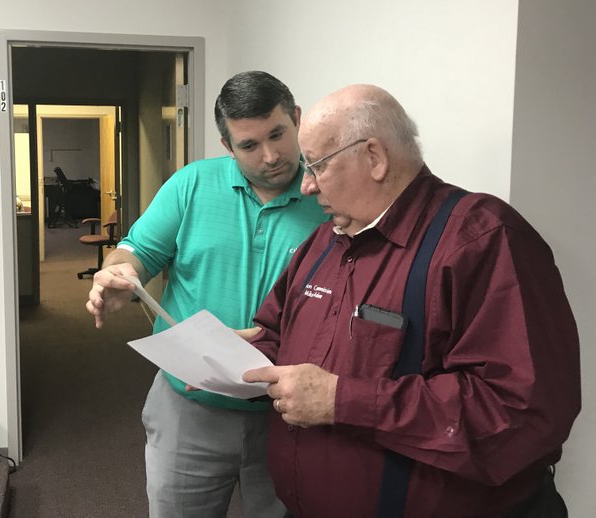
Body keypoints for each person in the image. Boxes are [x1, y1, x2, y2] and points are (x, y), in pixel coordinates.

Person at [242, 84, 581, 517]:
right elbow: (277, 331)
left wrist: (341, 400)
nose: (306, 185)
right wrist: (229, 355)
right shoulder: (326, 241)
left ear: (374, 158)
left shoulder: (482, 240)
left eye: (317, 166)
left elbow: (520, 413)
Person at [86, 71, 328, 517]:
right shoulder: (191, 184)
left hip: (290, 414)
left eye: (278, 134)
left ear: (297, 119)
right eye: (249, 146)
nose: (271, 156)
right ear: (226, 145)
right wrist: (118, 277)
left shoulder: (329, 194)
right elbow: (135, 252)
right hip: (188, 406)